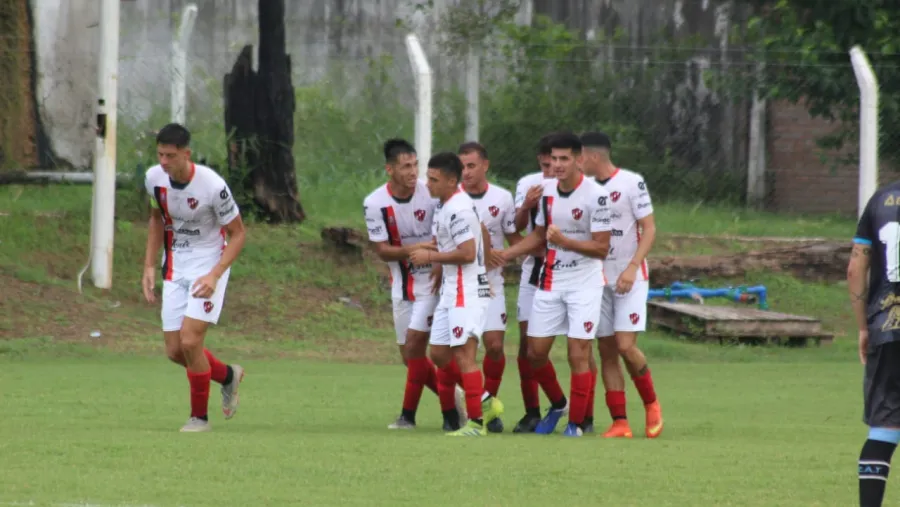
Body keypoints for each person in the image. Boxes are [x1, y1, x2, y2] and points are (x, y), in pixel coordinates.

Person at [498, 132, 612, 437]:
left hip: (585, 283)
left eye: (564, 159)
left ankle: (576, 424)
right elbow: (538, 235)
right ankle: (559, 404)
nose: (558, 165)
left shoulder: (596, 196)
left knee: (578, 353)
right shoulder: (546, 192)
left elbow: (602, 248)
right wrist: (506, 254)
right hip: (551, 279)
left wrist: (565, 242)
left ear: (579, 160)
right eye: (554, 159)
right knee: (534, 353)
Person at [141, 123, 246, 433]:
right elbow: (156, 219)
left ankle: (199, 418)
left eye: (170, 156)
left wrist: (215, 275)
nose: (163, 161)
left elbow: (239, 234)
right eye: (159, 154)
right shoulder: (153, 179)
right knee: (175, 351)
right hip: (175, 266)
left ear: (186, 154)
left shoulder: (213, 186)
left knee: (190, 340)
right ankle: (228, 376)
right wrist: (148, 266)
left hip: (209, 264)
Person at [363, 139, 466, 431]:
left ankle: (413, 416)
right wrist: (417, 248)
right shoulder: (374, 203)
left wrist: (436, 259)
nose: (413, 172)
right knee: (409, 356)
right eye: (406, 166)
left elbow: (448, 231)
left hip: (433, 283)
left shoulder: (431, 193)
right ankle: (472, 396)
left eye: (415, 164)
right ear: (390, 169)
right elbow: (382, 251)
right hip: (402, 284)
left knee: (416, 349)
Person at [408, 152, 504, 437]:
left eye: (434, 179)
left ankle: (475, 423)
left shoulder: (459, 208)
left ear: (452, 180)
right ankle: (486, 401)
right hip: (452, 288)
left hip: (467, 289)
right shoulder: (445, 205)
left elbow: (465, 253)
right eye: (428, 177)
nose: (428, 184)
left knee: (464, 355)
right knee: (438, 353)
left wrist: (431, 255)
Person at [580, 131, 663, 439]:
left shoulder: (631, 182)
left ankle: (652, 404)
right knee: (607, 351)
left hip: (630, 278)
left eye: (579, 157)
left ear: (592, 157)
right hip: (596, 281)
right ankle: (620, 422)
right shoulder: (584, 189)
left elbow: (650, 228)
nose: (576, 163)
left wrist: (630, 268)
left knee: (626, 345)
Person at [457, 141, 520, 433]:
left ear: (485, 166)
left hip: (491, 283)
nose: (466, 172)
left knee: (494, 346)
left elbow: (514, 238)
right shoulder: (452, 197)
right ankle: (466, 407)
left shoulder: (503, 198)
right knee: (457, 350)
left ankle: (490, 405)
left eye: (471, 166)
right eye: (462, 167)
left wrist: (505, 255)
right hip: (461, 282)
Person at [848, 182, 900, 507]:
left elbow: (855, 268)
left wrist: (862, 327)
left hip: (886, 324)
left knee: (883, 429)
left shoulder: (880, 199)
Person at [510, 134, 557, 433]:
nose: (551, 168)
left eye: (555, 161)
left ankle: (584, 415)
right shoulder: (529, 183)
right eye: (545, 163)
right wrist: (527, 204)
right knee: (527, 346)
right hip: (534, 270)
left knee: (581, 349)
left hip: (571, 272)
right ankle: (532, 412)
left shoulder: (582, 188)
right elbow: (515, 226)